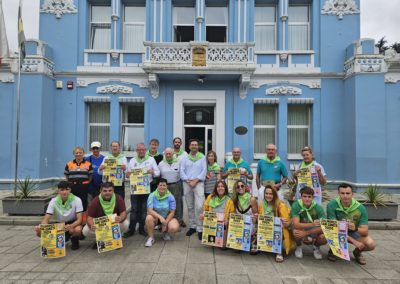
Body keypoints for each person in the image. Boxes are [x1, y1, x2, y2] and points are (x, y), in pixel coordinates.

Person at [327, 183, 375, 265]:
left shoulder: (360, 208)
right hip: (337, 232)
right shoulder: (331, 205)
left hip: (353, 232)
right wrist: (354, 241)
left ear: (352, 194)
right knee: (323, 235)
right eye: (342, 193)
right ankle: (333, 250)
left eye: (348, 193)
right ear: (338, 194)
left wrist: (355, 228)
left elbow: (365, 231)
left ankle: (357, 252)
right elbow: (333, 227)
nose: (345, 196)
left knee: (370, 244)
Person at [34, 181, 83, 250]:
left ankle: (74, 240)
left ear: (70, 190)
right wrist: (42, 227)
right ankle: (56, 241)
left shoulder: (77, 200)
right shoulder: (53, 201)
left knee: (77, 230)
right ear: (58, 191)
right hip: (59, 224)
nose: (64, 192)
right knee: (39, 232)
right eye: (62, 190)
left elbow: (79, 219)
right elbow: (46, 219)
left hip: (72, 222)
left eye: (67, 189)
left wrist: (71, 226)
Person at [124, 143, 160, 237]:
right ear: (136, 151)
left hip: (146, 189)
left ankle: (141, 228)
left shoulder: (151, 160)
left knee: (144, 209)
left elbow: (157, 173)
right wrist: (127, 175)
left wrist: (152, 172)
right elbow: (127, 175)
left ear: (145, 150)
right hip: (135, 189)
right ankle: (131, 229)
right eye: (139, 150)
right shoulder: (132, 161)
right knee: (134, 209)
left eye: (143, 149)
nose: (141, 151)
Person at [259, 185, 295, 262]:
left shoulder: (280, 205)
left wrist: (283, 221)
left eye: (271, 194)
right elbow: (261, 218)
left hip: (278, 229)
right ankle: (259, 244)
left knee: (279, 228)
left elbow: (287, 223)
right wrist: (256, 217)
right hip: (266, 228)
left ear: (274, 195)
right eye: (266, 193)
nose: (268, 196)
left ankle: (279, 252)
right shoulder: (262, 204)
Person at [180, 139, 207, 240]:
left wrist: (195, 181)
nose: (194, 146)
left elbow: (204, 171)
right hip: (187, 183)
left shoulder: (202, 157)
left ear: (198, 146)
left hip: (198, 183)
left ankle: (200, 228)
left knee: (200, 206)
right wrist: (187, 181)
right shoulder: (185, 158)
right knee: (190, 206)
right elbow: (182, 170)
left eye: (196, 144)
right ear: (189, 146)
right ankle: (192, 226)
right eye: (192, 145)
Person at [291, 186, 327, 260]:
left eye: (309, 197)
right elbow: (296, 224)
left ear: (313, 197)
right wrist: (312, 224)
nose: (307, 199)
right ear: (301, 196)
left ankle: (316, 247)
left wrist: (306, 233)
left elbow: (324, 226)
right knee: (295, 230)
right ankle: (299, 246)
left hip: (313, 230)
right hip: (302, 228)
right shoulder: (296, 205)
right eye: (304, 196)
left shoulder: (318, 208)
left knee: (324, 236)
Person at [144, 178, 180, 247]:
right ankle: (151, 238)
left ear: (167, 186)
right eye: (160, 185)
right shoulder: (152, 195)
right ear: (157, 186)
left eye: (164, 185)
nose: (162, 187)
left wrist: (165, 223)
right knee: (148, 218)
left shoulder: (170, 196)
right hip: (156, 218)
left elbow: (172, 212)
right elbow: (150, 210)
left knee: (174, 227)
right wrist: (160, 218)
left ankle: (165, 232)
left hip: (167, 217)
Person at [201, 180, 235, 247]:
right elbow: (206, 208)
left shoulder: (229, 200)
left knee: (223, 246)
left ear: (225, 188)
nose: (220, 188)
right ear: (216, 188)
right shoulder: (210, 197)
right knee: (213, 242)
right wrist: (203, 215)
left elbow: (232, 213)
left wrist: (228, 219)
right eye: (218, 186)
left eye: (222, 186)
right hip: (212, 222)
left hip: (223, 223)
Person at [158, 147, 185, 227]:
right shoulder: (161, 163)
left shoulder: (179, 162)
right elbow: (158, 174)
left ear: (173, 154)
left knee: (178, 203)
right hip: (164, 186)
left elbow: (182, 172)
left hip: (176, 184)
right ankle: (165, 221)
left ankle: (179, 220)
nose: (168, 155)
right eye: (167, 154)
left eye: (170, 153)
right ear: (164, 154)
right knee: (165, 203)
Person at [231, 180, 259, 254]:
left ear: (245, 187)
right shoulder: (235, 200)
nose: (240, 188)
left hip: (250, 225)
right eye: (238, 186)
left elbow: (256, 215)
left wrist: (254, 219)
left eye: (242, 186)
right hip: (239, 226)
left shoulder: (252, 199)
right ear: (236, 189)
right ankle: (240, 242)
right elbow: (234, 214)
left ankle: (253, 241)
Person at [64, 146, 93, 211]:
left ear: (83, 154)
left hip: (83, 186)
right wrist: (68, 183)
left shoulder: (88, 164)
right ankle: (74, 216)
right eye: (76, 153)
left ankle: (83, 216)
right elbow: (66, 174)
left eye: (80, 152)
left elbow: (91, 175)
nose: (78, 154)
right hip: (72, 186)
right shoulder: (69, 163)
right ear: (73, 154)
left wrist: (87, 182)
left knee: (83, 201)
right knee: (72, 201)